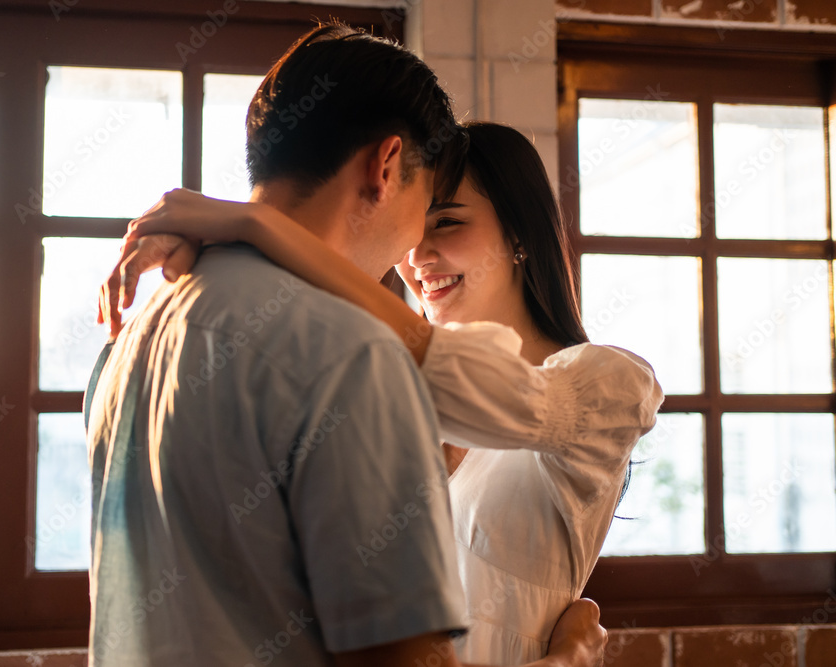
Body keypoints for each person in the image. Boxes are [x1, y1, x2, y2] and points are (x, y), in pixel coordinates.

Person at [85, 22, 606, 667]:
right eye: (428, 206)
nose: (415, 251)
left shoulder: (132, 339)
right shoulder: (354, 355)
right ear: (387, 166)